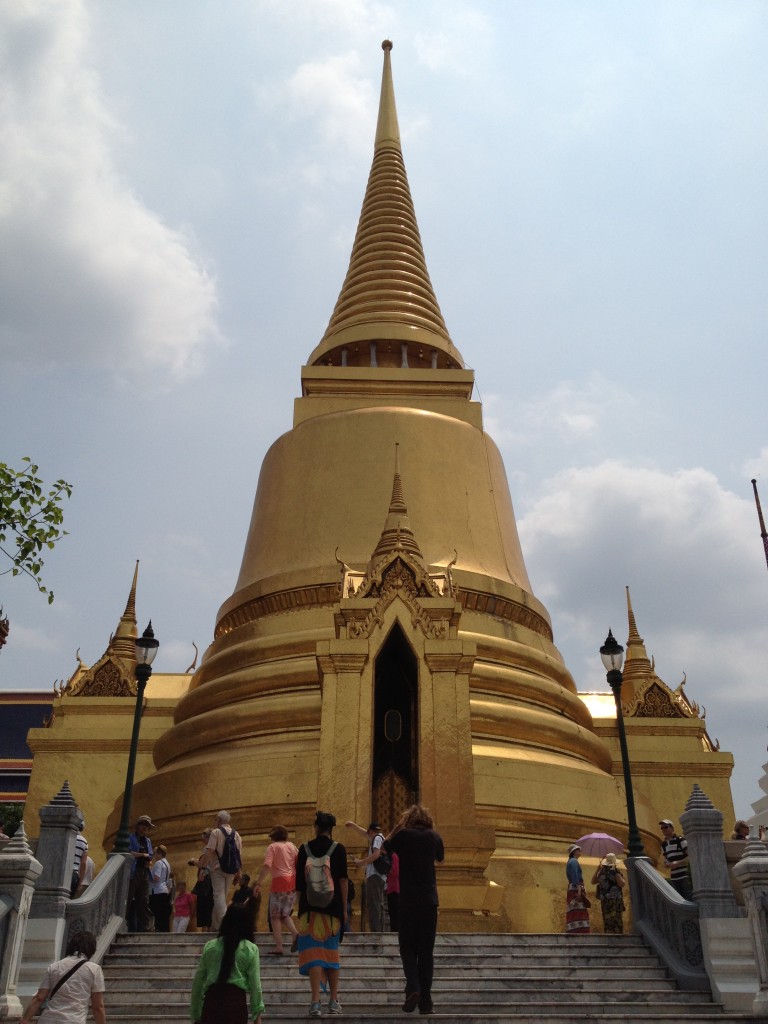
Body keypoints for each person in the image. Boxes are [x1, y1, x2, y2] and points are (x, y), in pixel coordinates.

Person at [384, 804, 444, 1016]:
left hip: (408, 900)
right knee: (426, 952)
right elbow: (440, 858)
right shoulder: (434, 837)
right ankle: (426, 1004)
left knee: (407, 947)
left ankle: (414, 986)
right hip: (429, 900)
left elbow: (384, 847)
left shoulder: (403, 837)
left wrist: (397, 828)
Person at [295, 810, 348, 1018]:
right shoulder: (339, 849)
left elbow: (299, 883)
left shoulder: (304, 849)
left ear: (316, 827)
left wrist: (297, 911)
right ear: (331, 829)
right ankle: (334, 1001)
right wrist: (344, 909)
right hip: (332, 910)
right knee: (331, 955)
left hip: (309, 910)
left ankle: (315, 1001)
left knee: (315, 956)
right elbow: (343, 881)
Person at [190, 903, 264, 1024]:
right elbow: (255, 985)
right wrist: (257, 1015)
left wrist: (196, 1014)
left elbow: (198, 982)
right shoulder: (250, 949)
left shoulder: (210, 947)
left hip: (211, 1003)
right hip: (236, 1005)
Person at [21, 930, 106, 1024]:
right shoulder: (94, 969)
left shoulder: (54, 967)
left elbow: (39, 998)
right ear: (91, 949)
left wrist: (24, 1021)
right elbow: (97, 1007)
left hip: (48, 1020)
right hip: (74, 1020)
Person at [252, 825, 299, 956]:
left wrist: (259, 883)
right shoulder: (292, 846)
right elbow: (298, 862)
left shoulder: (272, 847)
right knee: (284, 914)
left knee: (274, 915)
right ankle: (295, 935)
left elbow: (267, 865)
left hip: (279, 882)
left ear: (273, 837)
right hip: (292, 882)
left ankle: (279, 947)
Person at [202, 811, 243, 930]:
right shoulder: (237, 835)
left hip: (217, 868)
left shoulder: (216, 832)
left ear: (219, 820)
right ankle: (216, 927)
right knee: (221, 898)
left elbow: (210, 851)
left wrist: (204, 868)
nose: (215, 822)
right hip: (231, 870)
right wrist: (238, 872)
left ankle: (228, 926)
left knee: (218, 896)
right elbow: (239, 855)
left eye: (215, 820)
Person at [345, 819, 387, 931]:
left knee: (373, 904)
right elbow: (364, 833)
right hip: (379, 877)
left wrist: (361, 862)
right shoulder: (379, 837)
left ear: (371, 832)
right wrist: (354, 825)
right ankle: (378, 929)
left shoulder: (377, 839)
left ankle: (376, 931)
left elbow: (376, 854)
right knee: (377, 903)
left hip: (374, 875)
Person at [127, 814, 155, 932]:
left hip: (144, 872)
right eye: (143, 825)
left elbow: (151, 855)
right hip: (133, 872)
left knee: (144, 900)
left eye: (147, 826)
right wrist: (142, 855)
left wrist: (148, 860)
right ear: (138, 826)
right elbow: (128, 852)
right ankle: (124, 923)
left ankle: (145, 927)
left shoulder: (147, 841)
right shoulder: (131, 838)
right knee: (128, 898)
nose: (145, 828)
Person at [591, 852, 625, 934]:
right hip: (614, 900)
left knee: (607, 918)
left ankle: (608, 933)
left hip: (605, 900)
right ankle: (617, 935)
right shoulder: (615, 872)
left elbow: (593, 881)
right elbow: (622, 884)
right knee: (616, 919)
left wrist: (597, 869)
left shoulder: (602, 873)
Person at [659, 819, 693, 899]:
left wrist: (678, 863)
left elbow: (691, 856)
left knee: (688, 898)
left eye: (666, 827)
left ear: (672, 828)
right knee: (678, 899)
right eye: (662, 828)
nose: (663, 829)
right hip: (674, 877)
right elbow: (666, 858)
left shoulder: (680, 840)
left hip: (684, 875)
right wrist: (666, 863)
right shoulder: (663, 844)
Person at [565, 843, 590, 935]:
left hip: (572, 887)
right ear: (574, 852)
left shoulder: (570, 862)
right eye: (578, 850)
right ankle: (581, 931)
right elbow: (575, 877)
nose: (580, 851)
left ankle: (573, 930)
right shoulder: (574, 862)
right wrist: (579, 891)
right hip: (576, 887)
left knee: (574, 910)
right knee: (579, 910)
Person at [150, 844, 173, 932]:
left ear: (159, 853)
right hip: (164, 890)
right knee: (164, 915)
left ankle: (158, 929)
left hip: (157, 890)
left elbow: (156, 878)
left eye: (155, 853)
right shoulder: (167, 863)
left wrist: (148, 875)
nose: (154, 856)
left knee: (158, 913)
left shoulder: (158, 863)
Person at [386, 851, 400, 932]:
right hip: (392, 888)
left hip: (394, 888)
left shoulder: (394, 856)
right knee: (393, 913)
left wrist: (386, 870)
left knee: (394, 912)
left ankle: (395, 931)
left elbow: (395, 871)